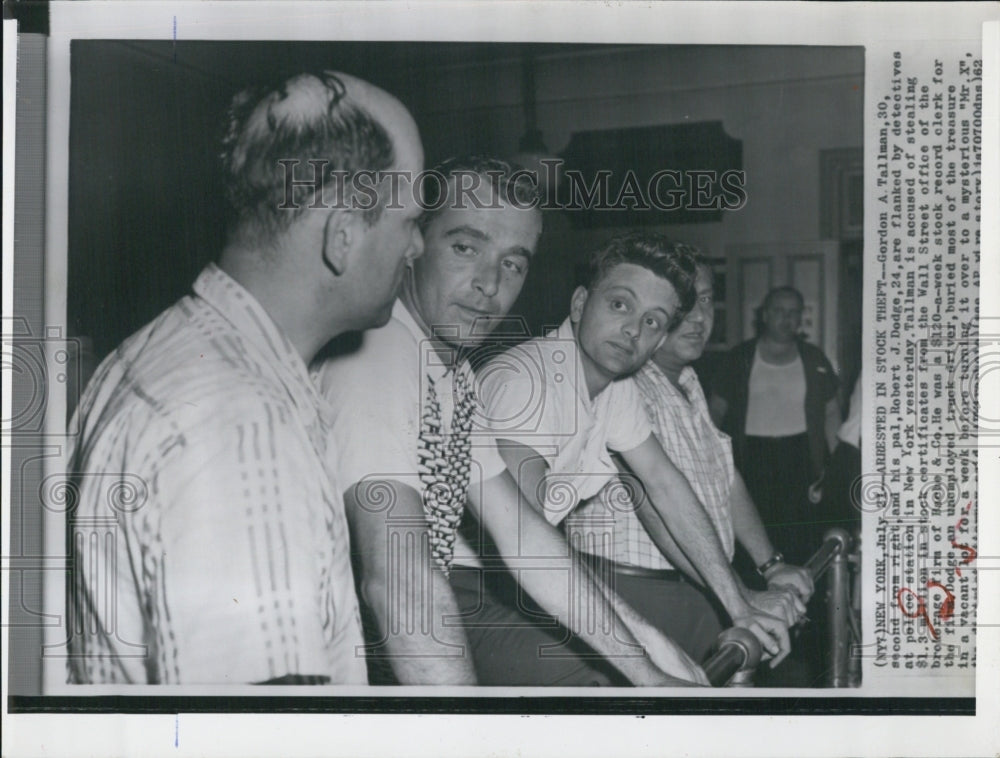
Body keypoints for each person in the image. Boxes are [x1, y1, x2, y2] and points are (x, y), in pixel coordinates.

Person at [66, 71, 426, 684]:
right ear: (342, 238)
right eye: (409, 221)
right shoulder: (242, 433)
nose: (417, 247)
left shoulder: (148, 353)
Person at [314, 157, 704, 687]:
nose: (489, 284)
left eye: (513, 263)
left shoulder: (451, 373)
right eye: (465, 248)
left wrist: (650, 667)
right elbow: (399, 583)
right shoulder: (379, 357)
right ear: (413, 246)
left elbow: (528, 542)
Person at [480, 233, 801, 669]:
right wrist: (649, 654)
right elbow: (526, 547)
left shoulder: (614, 389)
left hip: (529, 588)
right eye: (619, 305)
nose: (633, 329)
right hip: (480, 596)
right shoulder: (527, 382)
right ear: (578, 305)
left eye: (653, 321)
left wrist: (739, 602)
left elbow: (665, 487)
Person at [568, 258, 813, 664]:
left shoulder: (688, 380)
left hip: (699, 585)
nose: (699, 317)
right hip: (633, 591)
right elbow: (655, 503)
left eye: (706, 300)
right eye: (685, 304)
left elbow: (725, 476)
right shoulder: (623, 381)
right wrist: (742, 596)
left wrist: (770, 566)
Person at [709, 287, 841, 566]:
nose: (786, 319)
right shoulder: (739, 358)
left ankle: (804, 605)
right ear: (765, 315)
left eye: (793, 313)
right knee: (753, 545)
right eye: (779, 311)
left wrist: (836, 464)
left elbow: (831, 413)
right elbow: (714, 412)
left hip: (801, 459)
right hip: (752, 460)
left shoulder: (814, 358)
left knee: (802, 543)